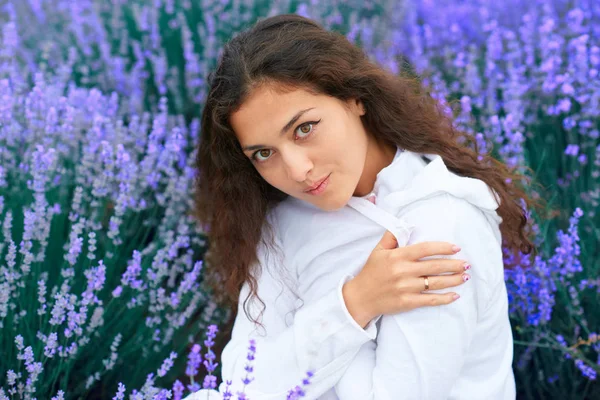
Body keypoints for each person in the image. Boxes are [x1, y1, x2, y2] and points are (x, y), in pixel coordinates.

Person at [191, 13, 534, 400]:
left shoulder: (442, 220)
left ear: (354, 98)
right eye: (264, 153)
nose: (297, 170)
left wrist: (304, 349)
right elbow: (241, 383)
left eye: (304, 128)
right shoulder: (285, 220)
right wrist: (355, 302)